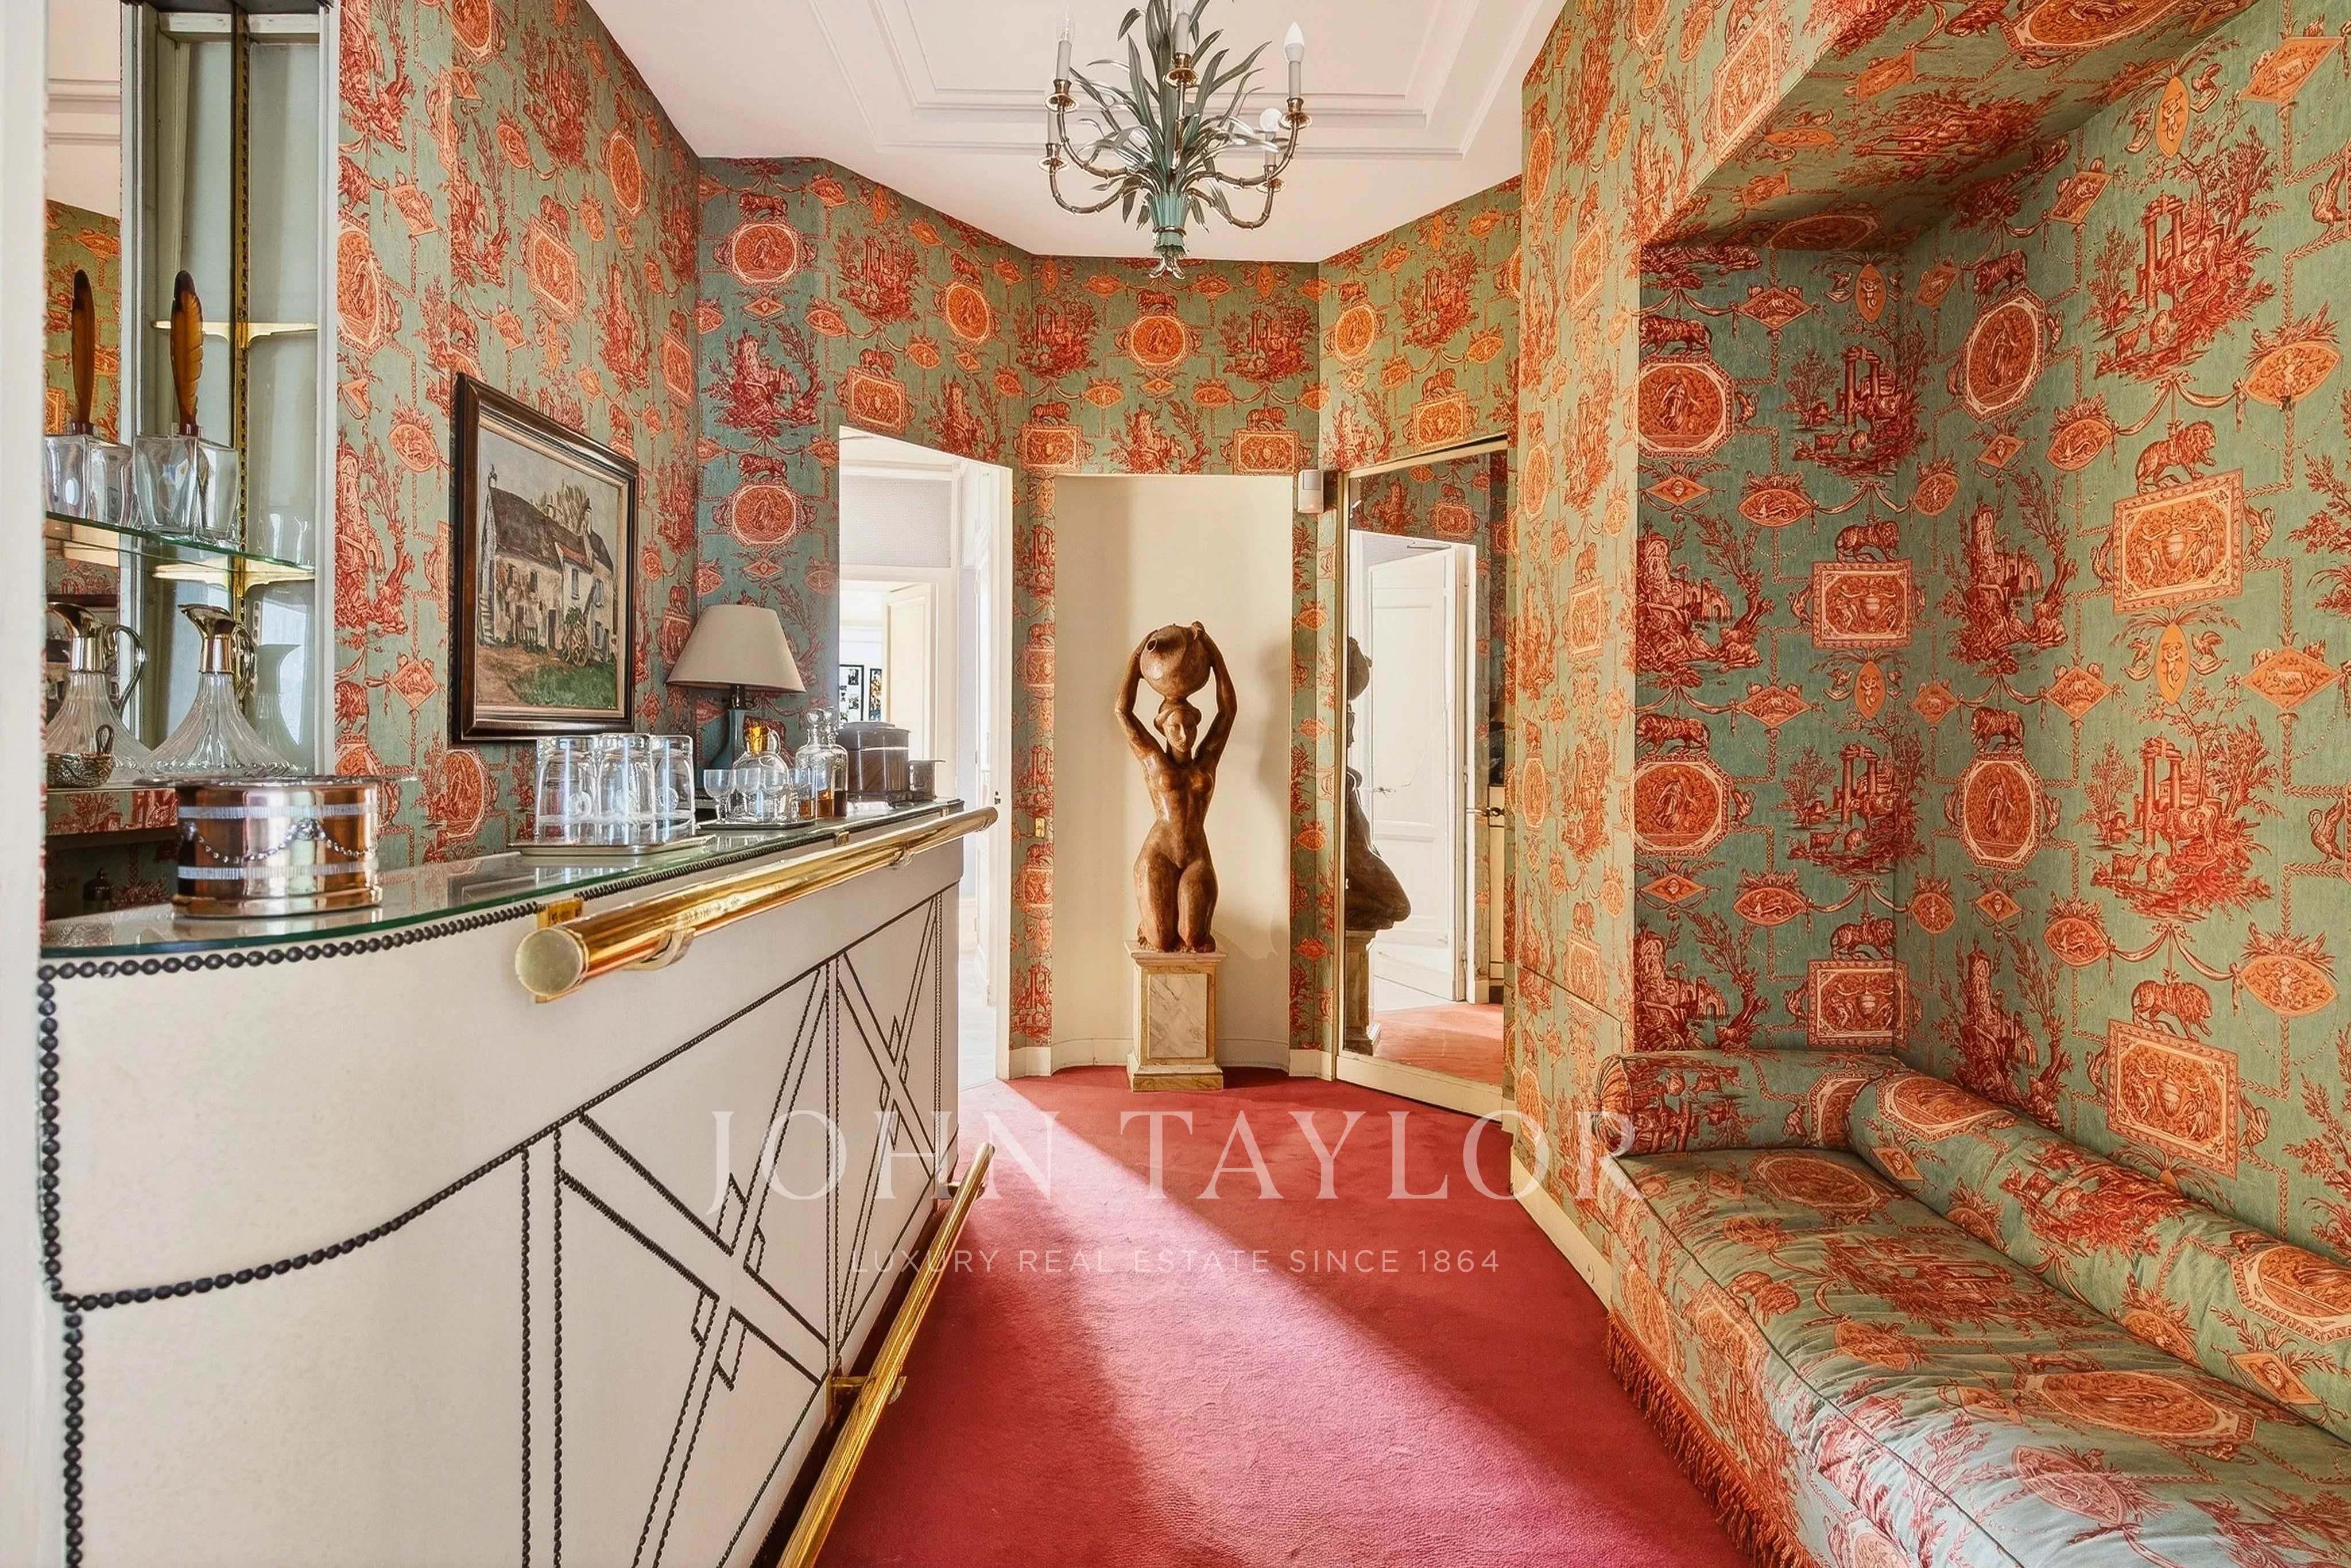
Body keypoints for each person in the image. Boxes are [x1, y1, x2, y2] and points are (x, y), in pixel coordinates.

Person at [1118, 624, 1234, 953]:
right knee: (1161, 941)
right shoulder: (1154, 761)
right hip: (1159, 853)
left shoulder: (1206, 762)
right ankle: (1149, 924)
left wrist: (1212, 652)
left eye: (1190, 726)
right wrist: (1137, 659)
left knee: (1195, 939)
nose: (1184, 735)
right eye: (1175, 728)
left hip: (1196, 855)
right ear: (1163, 729)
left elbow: (1227, 711)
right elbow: (1122, 711)